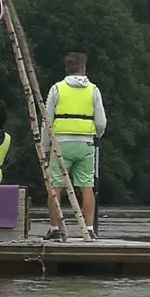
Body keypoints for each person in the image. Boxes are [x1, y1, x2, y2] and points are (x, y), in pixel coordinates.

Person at [41, 52, 106, 239]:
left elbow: (47, 121)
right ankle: (89, 229)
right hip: (85, 142)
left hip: (61, 142)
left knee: (55, 187)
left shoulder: (57, 89)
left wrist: (45, 147)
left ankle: (55, 229)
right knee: (86, 185)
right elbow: (101, 122)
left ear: (67, 68)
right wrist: (97, 135)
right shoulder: (93, 90)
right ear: (83, 68)